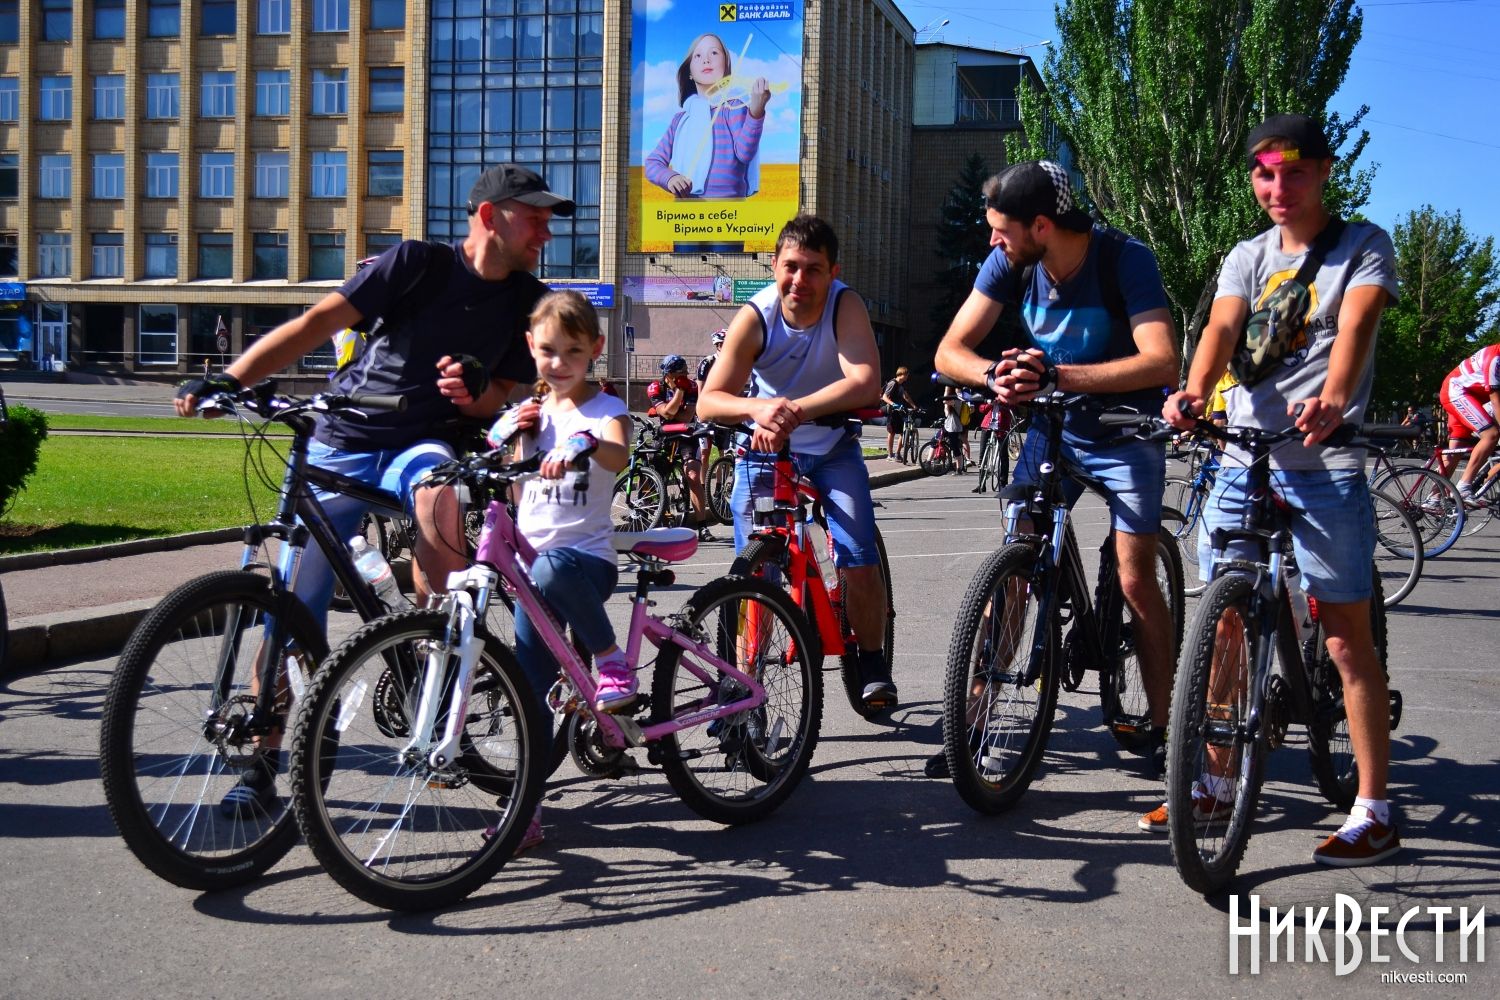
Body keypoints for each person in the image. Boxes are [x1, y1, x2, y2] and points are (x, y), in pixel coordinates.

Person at [173, 163, 571, 816]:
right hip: (343, 434)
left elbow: (497, 397)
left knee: (440, 497)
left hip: (423, 443)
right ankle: (265, 758)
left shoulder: (528, 300)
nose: (545, 232)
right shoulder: (416, 264)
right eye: (534, 218)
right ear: (489, 216)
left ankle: (433, 658)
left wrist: (476, 392)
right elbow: (316, 322)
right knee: (290, 607)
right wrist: (232, 378)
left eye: (547, 221)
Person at [1162, 114, 1402, 866]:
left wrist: (1334, 398)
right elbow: (1220, 331)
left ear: (1324, 171)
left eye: (1294, 171)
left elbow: (1356, 327)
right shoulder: (1248, 255)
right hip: (1245, 457)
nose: (1278, 187)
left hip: (1326, 463)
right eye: (1264, 174)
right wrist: (1194, 390)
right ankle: (1213, 781)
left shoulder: (1363, 246)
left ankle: (1374, 808)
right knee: (1227, 625)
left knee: (1345, 637)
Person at [931, 159, 1179, 779]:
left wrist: (1058, 374)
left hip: (1126, 429)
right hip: (1053, 426)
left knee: (1135, 579)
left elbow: (1161, 361)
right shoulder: (1010, 263)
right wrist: (993, 374)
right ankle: (974, 719)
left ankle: (1168, 729)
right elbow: (949, 350)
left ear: (1042, 225)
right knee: (1015, 565)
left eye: (1002, 229)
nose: (992, 239)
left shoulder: (1125, 259)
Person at [696, 215, 895, 712]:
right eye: (791, 267)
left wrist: (792, 411)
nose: (799, 280)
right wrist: (759, 408)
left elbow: (866, 382)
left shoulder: (845, 306)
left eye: (813, 269)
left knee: (858, 555)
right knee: (753, 577)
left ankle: (872, 661)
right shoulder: (755, 316)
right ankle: (745, 685)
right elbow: (709, 401)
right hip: (766, 451)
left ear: (833, 273)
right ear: (774, 265)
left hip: (831, 448)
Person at [492, 291, 632, 852]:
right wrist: (510, 436)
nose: (559, 362)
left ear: (595, 349)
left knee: (552, 568)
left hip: (587, 563)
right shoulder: (532, 412)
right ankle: (525, 811)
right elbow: (512, 482)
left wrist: (586, 443)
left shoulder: (605, 410)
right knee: (531, 690)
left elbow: (619, 454)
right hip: (535, 576)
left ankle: (610, 659)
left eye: (573, 351)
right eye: (548, 350)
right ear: (531, 346)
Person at [644, 32, 771, 199]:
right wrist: (670, 178)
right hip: (686, 209)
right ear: (689, 72)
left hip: (730, 209)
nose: (706, 60)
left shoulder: (733, 106)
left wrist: (756, 112)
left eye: (714, 53)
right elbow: (653, 163)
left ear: (726, 66)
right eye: (698, 56)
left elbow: (745, 153)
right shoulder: (680, 120)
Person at [647, 353, 712, 539]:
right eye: (679, 373)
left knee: (693, 476)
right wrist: (679, 394)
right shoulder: (655, 388)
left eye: (685, 371)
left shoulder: (692, 386)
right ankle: (655, 513)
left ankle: (702, 526)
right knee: (651, 471)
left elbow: (686, 416)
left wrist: (681, 391)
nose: (684, 375)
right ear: (668, 374)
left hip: (687, 434)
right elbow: (666, 414)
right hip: (666, 434)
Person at [1437, 342, 1500, 501]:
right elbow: (1495, 400)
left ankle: (1433, 499)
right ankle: (1464, 487)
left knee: (1456, 452)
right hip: (1457, 393)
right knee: (1491, 435)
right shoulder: (1495, 358)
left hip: (1468, 396)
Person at [881, 365, 917, 460]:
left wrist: (914, 406)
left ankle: (897, 454)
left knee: (903, 432)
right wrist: (894, 404)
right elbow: (884, 397)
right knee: (892, 432)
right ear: (902, 374)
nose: (907, 377)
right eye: (907, 375)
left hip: (900, 411)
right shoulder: (893, 383)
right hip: (892, 411)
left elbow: (906, 396)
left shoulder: (901, 385)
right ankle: (890, 455)